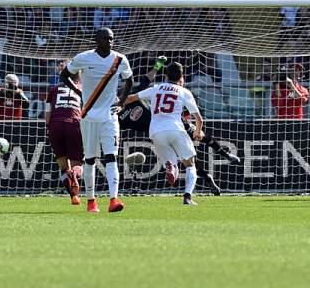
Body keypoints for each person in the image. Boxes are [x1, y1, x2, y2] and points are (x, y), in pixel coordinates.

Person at [119, 56, 240, 196]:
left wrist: (157, 66)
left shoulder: (129, 98)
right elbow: (117, 132)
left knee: (201, 139)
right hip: (166, 125)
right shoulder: (116, 119)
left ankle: (226, 155)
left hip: (165, 125)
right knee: (189, 159)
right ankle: (208, 180)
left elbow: (146, 79)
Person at [60, 28, 134, 213]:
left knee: (111, 157)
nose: (110, 42)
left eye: (112, 39)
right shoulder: (84, 58)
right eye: (106, 39)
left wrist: (122, 102)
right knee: (90, 159)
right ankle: (91, 201)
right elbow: (64, 75)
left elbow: (129, 80)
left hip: (110, 116)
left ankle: (114, 199)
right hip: (88, 116)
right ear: (97, 40)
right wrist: (78, 92)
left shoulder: (120, 59)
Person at [124, 62, 203, 205]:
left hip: (156, 132)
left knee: (172, 165)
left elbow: (131, 98)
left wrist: (117, 105)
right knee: (190, 165)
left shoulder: (156, 88)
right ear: (181, 77)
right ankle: (187, 197)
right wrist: (197, 132)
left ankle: (170, 166)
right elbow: (199, 119)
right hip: (176, 129)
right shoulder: (184, 92)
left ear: (165, 76)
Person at [46, 71, 84, 206]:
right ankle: (74, 174)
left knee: (63, 165)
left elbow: (48, 111)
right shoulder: (82, 89)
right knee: (77, 164)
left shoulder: (53, 90)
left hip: (55, 125)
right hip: (74, 124)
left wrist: (48, 127)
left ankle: (74, 196)